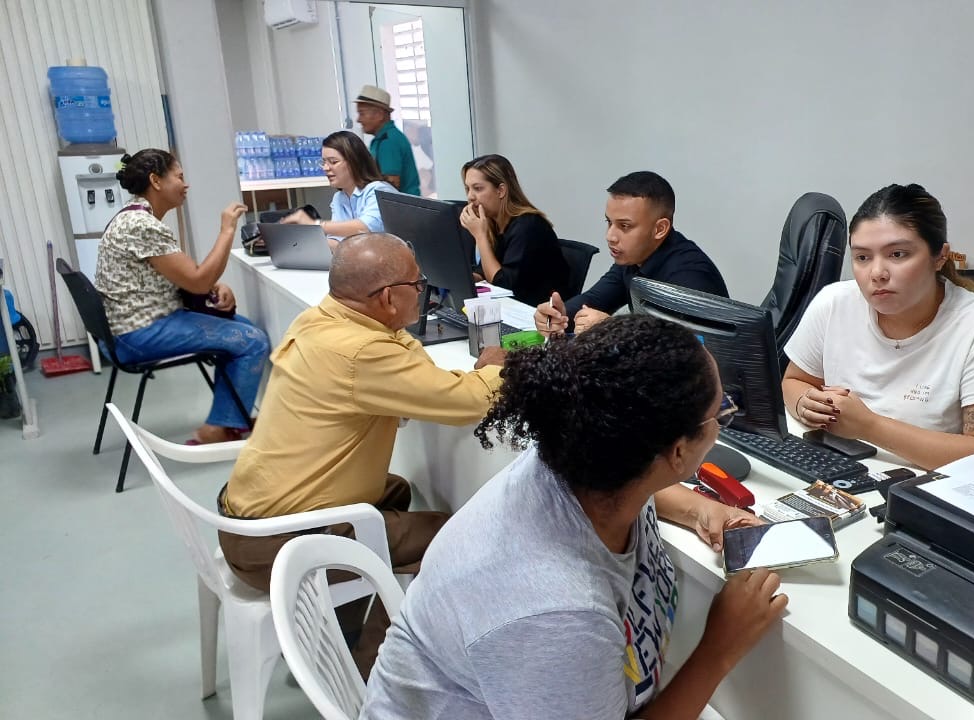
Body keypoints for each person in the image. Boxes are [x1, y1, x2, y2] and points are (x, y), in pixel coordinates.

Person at [363, 314, 787, 719]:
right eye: (721, 412)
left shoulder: (585, 461)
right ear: (678, 452)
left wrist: (699, 507)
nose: (720, 423)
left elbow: (639, 482)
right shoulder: (559, 614)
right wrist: (721, 646)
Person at [216, 232, 505, 678]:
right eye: (417, 284)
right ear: (389, 298)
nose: (423, 291)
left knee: (396, 490)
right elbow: (464, 400)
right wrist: (496, 370)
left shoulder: (321, 320)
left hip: (246, 522)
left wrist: (398, 332)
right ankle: (374, 670)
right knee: (458, 538)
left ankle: (338, 631)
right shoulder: (364, 352)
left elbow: (410, 370)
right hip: (278, 545)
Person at [782, 183, 974, 470]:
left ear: (940, 257)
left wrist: (870, 427)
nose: (877, 273)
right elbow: (794, 381)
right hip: (838, 469)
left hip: (927, 493)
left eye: (898, 254)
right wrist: (805, 402)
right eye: (862, 257)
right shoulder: (834, 302)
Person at [95, 149, 268, 444]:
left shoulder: (132, 217)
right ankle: (217, 429)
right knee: (252, 340)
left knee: (243, 329)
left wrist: (213, 285)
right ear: (156, 181)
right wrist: (227, 230)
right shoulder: (142, 225)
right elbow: (198, 281)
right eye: (179, 176)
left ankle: (228, 418)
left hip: (127, 329)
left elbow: (178, 276)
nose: (185, 184)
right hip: (139, 335)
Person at [534, 171, 728, 335]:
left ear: (660, 229)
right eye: (609, 222)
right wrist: (558, 316)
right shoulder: (633, 259)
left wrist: (613, 331)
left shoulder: (690, 277)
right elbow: (593, 300)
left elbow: (684, 355)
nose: (610, 236)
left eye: (624, 226)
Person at [459, 154, 570, 306]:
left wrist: (480, 236)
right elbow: (484, 271)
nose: (470, 196)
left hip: (539, 315)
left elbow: (502, 284)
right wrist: (463, 278)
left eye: (478, 188)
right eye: (468, 189)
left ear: (501, 190)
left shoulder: (528, 226)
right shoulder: (493, 222)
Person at [283, 131, 395, 241]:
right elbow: (338, 242)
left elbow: (364, 228)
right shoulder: (339, 198)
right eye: (324, 162)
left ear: (354, 162)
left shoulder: (379, 191)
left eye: (333, 162)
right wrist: (298, 241)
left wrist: (315, 224)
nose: (325, 168)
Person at [354, 84, 421, 196]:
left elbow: (391, 185)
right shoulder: (383, 138)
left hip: (403, 209)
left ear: (380, 114)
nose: (358, 120)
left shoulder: (388, 141)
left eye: (362, 113)